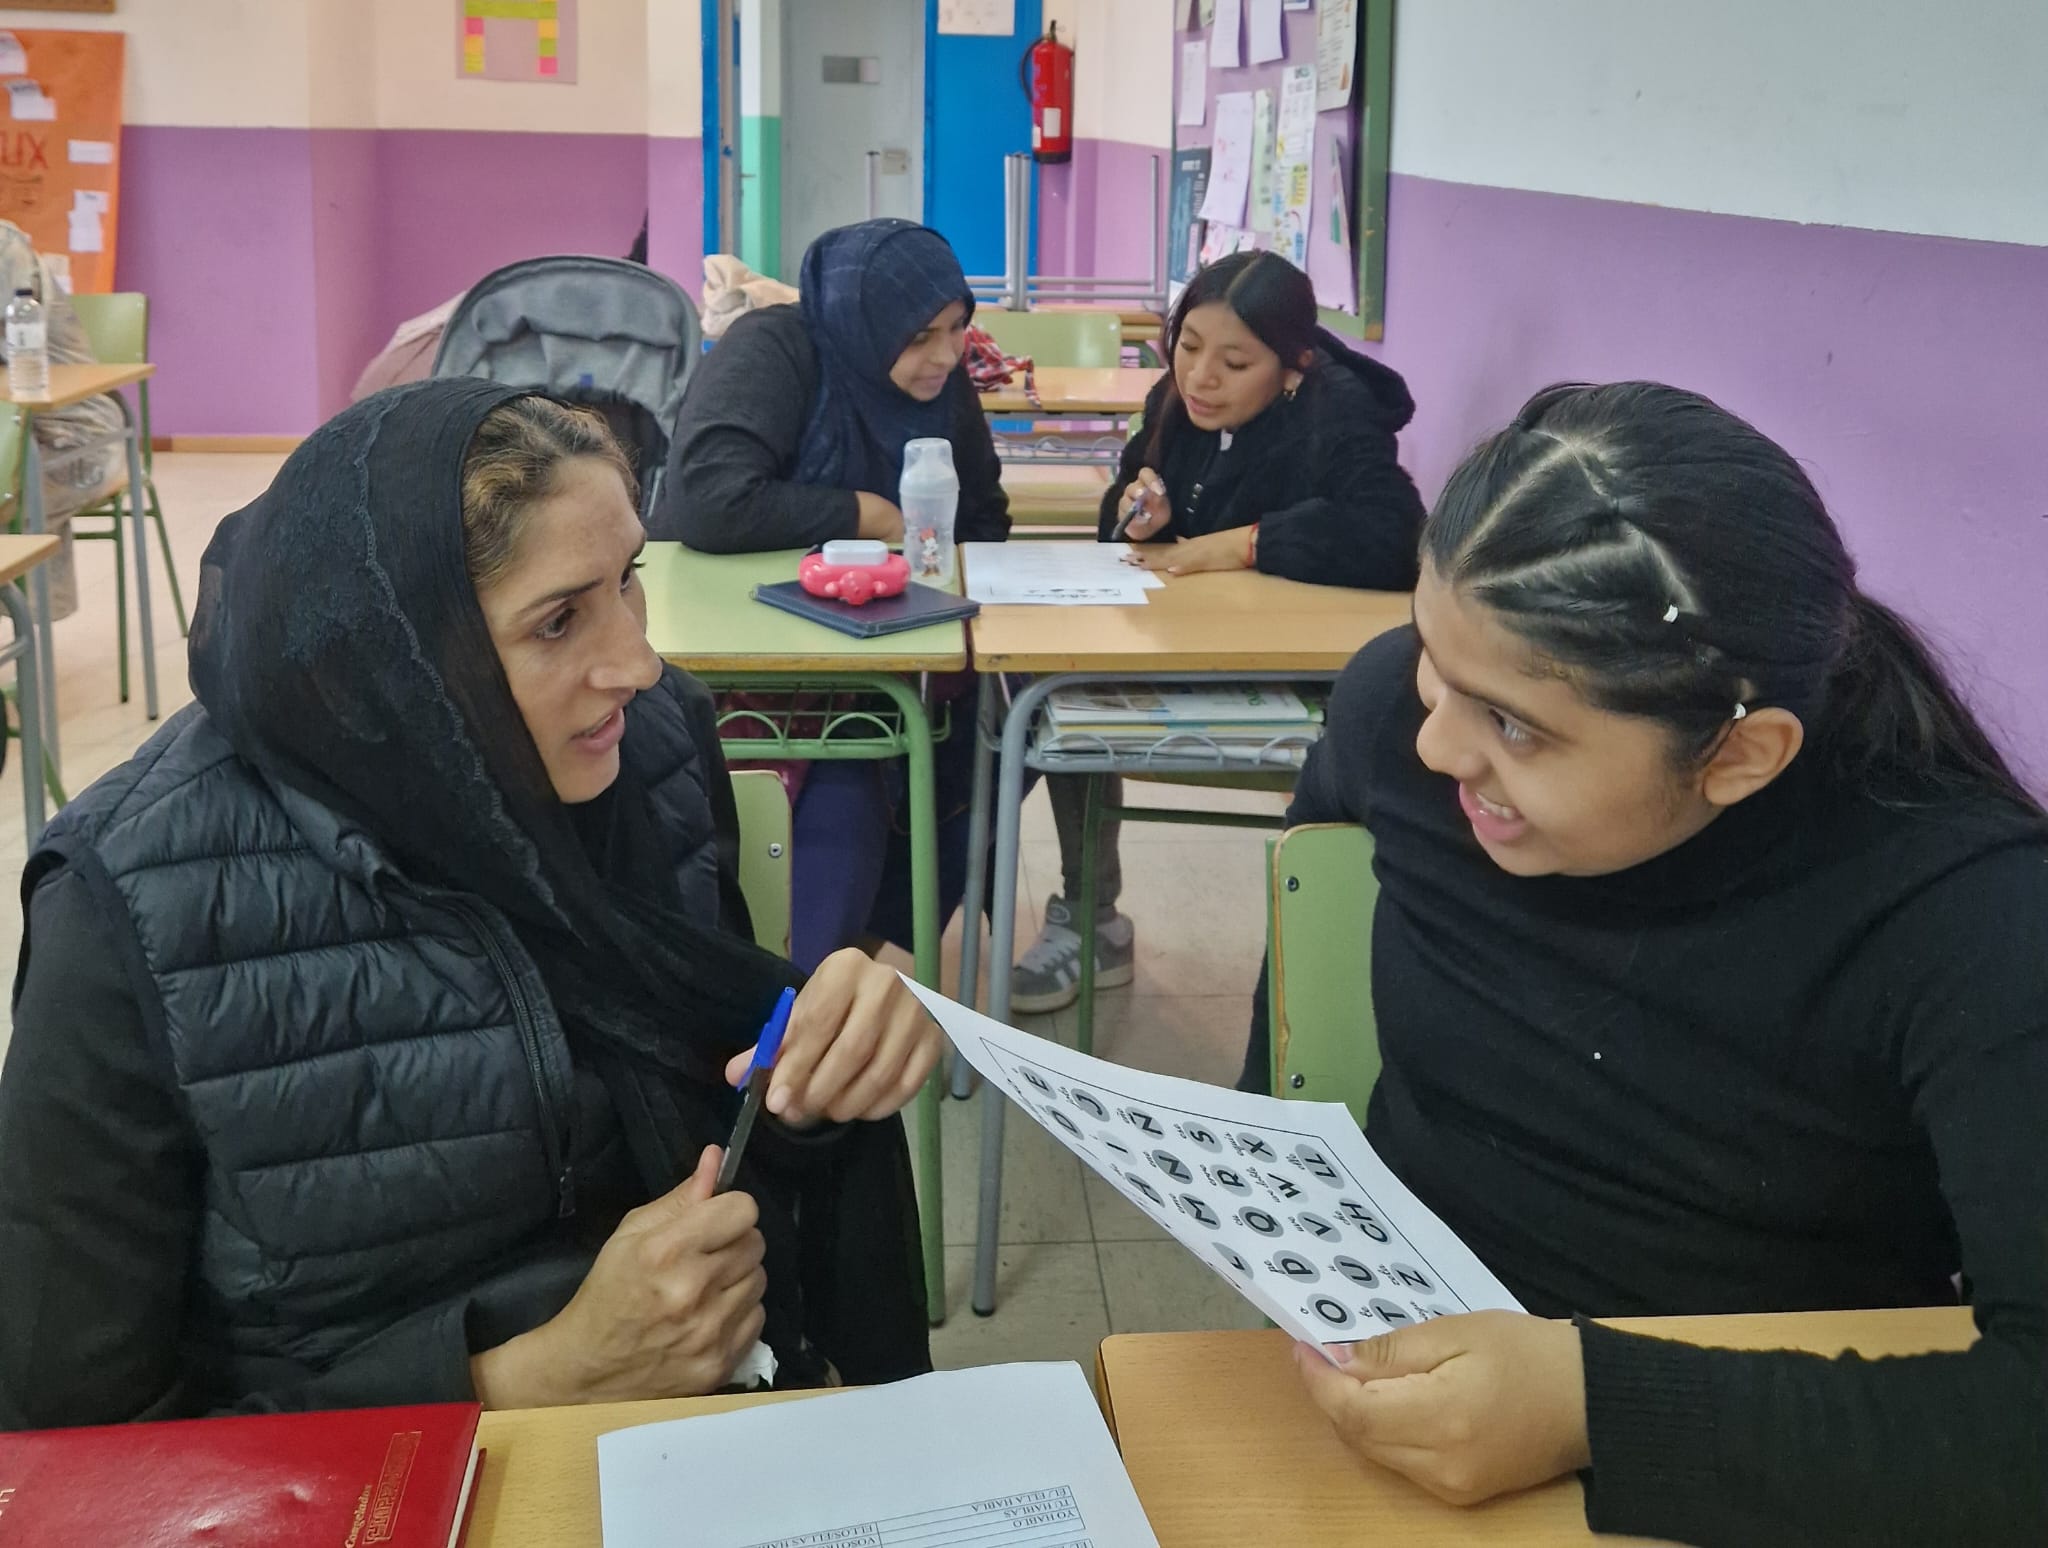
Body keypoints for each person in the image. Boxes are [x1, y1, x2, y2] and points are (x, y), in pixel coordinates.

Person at [0, 382, 941, 1427]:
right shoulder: (127, 906)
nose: (637, 664)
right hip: (365, 1486)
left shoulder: (652, 747)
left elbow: (702, 1087)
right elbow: (69, 1441)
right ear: (397, 659)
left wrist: (808, 1079)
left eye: (627, 580)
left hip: (690, 1412)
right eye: (558, 620)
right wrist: (529, 1377)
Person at [1246, 382, 2045, 1544]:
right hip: (1387, 1419)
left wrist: (1589, 1410)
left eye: (1512, 725)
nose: (1434, 742)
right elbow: (1302, 929)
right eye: (1429, 652)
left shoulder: (1972, 916)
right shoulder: (1394, 723)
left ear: (1737, 757)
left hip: (1755, 1470)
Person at [1012, 250, 1427, 1014]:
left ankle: (1340, 961)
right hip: (1186, 648)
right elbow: (1123, 510)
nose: (1201, 378)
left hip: (1299, 676)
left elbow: (1393, 534)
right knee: (1044, 690)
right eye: (1189, 347)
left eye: (1235, 363)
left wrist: (1247, 543)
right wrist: (1139, 511)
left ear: (1293, 366)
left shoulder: (1337, 412)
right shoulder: (1174, 399)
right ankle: (1092, 918)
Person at [649, 219, 1011, 971]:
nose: (946, 356)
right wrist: (868, 515)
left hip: (883, 642)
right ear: (863, 321)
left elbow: (983, 517)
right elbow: (708, 501)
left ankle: (878, 944)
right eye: (920, 337)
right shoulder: (775, 350)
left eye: (957, 328)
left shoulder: (940, 386)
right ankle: (807, 966)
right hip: (740, 647)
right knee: (845, 776)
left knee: (998, 725)